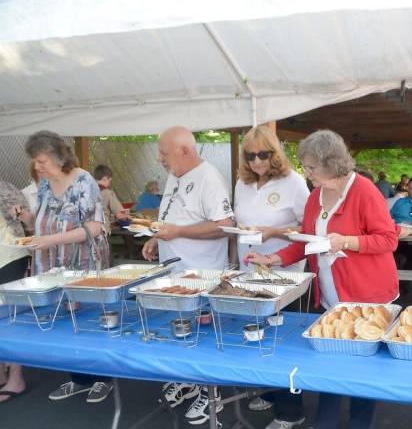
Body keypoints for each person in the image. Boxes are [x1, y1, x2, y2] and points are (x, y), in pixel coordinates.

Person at [245, 129, 398, 429]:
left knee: (362, 371)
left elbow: (388, 239)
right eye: (306, 166)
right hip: (331, 297)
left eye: (312, 167)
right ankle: (325, 422)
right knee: (329, 365)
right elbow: (306, 240)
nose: (307, 173)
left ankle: (359, 424)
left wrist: (348, 242)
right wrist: (273, 259)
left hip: (367, 296)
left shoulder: (364, 191)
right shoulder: (316, 195)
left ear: (332, 163)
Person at [141, 126, 235, 426]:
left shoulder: (209, 178)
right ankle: (189, 381)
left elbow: (225, 225)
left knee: (206, 336)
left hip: (203, 276)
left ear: (185, 150)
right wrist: (158, 237)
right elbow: (173, 217)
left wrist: (177, 232)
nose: (159, 159)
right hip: (175, 273)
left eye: (164, 153)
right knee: (182, 330)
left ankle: (212, 393)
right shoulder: (175, 175)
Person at [13, 130, 112, 403]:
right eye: (35, 160)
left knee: (90, 320)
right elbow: (43, 219)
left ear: (59, 157)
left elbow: (93, 226)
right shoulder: (45, 183)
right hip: (52, 263)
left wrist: (50, 240)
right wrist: (25, 216)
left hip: (81, 263)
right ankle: (78, 378)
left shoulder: (83, 181)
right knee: (65, 322)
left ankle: (103, 378)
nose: (37, 166)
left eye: (41, 160)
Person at [234, 126, 309, 272]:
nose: (256, 161)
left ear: (274, 154)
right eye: (251, 156)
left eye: (262, 155)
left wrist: (275, 232)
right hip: (247, 270)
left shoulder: (293, 182)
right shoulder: (242, 183)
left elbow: (310, 231)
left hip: (283, 272)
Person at [0, 181, 31, 404]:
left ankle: (16, 378)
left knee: (11, 318)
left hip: (9, 256)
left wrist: (16, 212)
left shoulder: (5, 188)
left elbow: (23, 213)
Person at [93, 164, 129, 229]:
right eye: (109, 181)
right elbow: (120, 215)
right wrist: (128, 216)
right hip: (100, 229)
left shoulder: (86, 191)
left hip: (86, 230)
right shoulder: (107, 193)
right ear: (105, 178)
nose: (108, 184)